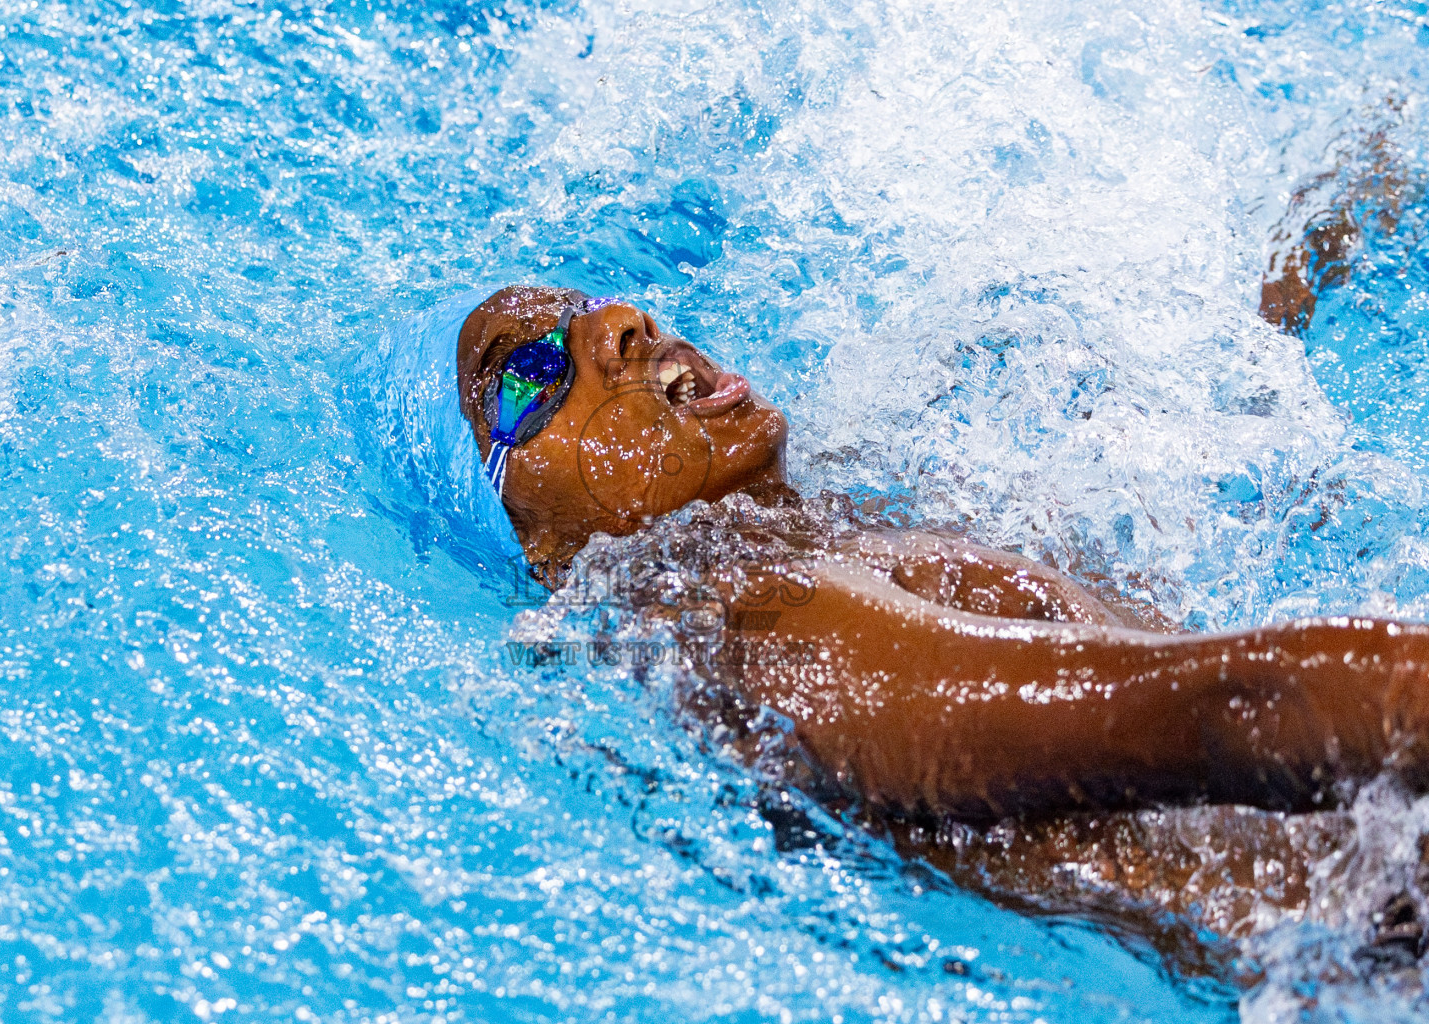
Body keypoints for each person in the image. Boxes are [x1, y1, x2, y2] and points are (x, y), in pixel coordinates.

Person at [374, 133, 1429, 972]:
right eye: (529, 373)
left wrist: (1306, 246)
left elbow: (1212, 452)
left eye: (588, 307)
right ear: (544, 544)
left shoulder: (856, 517)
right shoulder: (750, 622)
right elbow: (1220, 708)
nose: (620, 324)